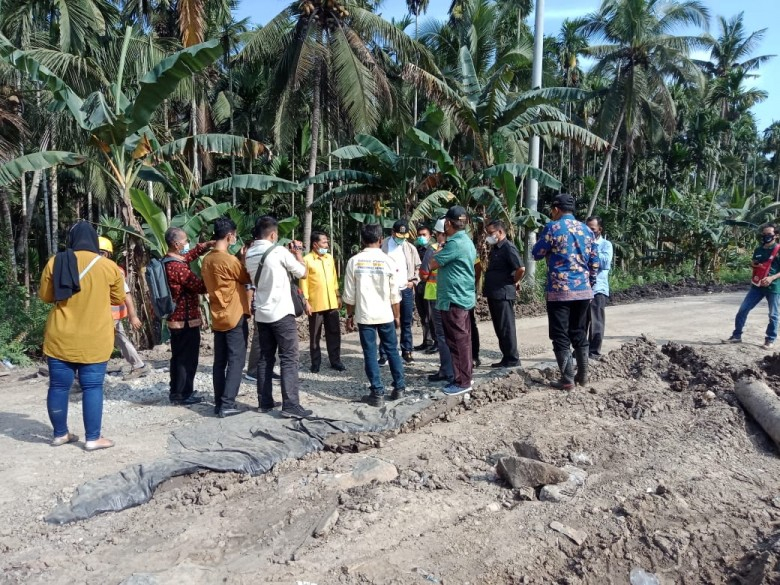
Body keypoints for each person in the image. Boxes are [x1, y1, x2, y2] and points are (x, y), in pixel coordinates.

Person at [38, 221, 124, 451]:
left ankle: (59, 434)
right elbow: (117, 299)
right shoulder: (108, 266)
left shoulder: (56, 262)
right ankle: (93, 438)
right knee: (93, 387)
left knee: (58, 386)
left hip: (61, 336)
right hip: (95, 337)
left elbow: (46, 296)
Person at [245, 216, 313, 419]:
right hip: (282, 313)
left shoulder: (248, 254)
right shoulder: (279, 251)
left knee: (265, 357)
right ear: (273, 234)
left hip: (262, 313)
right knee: (289, 358)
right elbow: (302, 273)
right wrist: (298, 253)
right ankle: (291, 405)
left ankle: (264, 401)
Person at [532, 194, 599, 390]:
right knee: (578, 332)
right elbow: (595, 262)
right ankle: (583, 376)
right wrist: (589, 283)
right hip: (583, 291)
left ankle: (568, 379)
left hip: (559, 291)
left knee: (560, 334)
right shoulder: (587, 230)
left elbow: (536, 253)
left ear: (556, 209)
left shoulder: (553, 227)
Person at [343, 224, 405, 407]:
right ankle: (399, 388)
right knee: (392, 350)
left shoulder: (354, 261)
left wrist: (349, 316)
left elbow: (349, 294)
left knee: (370, 352)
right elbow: (395, 294)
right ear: (380, 240)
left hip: (365, 315)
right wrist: (397, 316)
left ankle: (377, 392)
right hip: (385, 314)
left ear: (362, 240)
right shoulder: (387, 262)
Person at [202, 217, 252, 418]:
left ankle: (218, 402)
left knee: (219, 361)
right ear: (230, 236)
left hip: (217, 315)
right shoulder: (229, 260)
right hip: (234, 314)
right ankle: (227, 403)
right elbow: (245, 277)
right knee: (237, 360)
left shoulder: (207, 260)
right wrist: (242, 259)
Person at [430, 206, 477, 395]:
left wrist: (438, 249)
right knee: (462, 339)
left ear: (448, 223)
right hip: (461, 297)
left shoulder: (455, 243)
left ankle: (462, 382)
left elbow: (433, 263)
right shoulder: (466, 240)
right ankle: (465, 377)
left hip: (453, 299)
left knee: (458, 341)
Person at [163, 228, 213, 406]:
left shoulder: (168, 260)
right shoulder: (178, 268)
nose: (187, 244)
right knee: (187, 358)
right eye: (185, 241)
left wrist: (204, 246)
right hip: (185, 320)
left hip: (175, 319)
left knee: (178, 356)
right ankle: (183, 394)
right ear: (176, 244)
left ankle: (176, 391)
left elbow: (187, 256)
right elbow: (200, 286)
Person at [97, 236, 150, 380]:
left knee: (99, 341)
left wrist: (133, 315)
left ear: (107, 254)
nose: (98, 255)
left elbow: (126, 294)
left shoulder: (113, 270)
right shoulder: (97, 269)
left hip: (110, 315)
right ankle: (139, 366)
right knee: (120, 339)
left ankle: (88, 372)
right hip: (104, 315)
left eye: (101, 252)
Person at [726, 223, 780, 349]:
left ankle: (770, 339)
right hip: (757, 287)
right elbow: (755, 263)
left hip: (773, 288)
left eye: (769, 234)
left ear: (776, 235)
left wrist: (772, 278)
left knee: (773, 315)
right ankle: (736, 335)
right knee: (743, 310)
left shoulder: (778, 250)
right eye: (764, 234)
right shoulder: (758, 250)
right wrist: (754, 265)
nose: (766, 236)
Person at [300, 230, 345, 373]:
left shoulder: (329, 258)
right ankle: (315, 363)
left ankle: (335, 361)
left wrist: (338, 295)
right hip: (315, 303)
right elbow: (303, 282)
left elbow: (334, 278)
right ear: (315, 244)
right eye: (324, 242)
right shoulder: (307, 260)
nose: (327, 244)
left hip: (331, 301)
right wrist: (306, 301)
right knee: (315, 334)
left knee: (334, 332)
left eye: (327, 241)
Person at [483, 220, 525, 368]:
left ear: (500, 232)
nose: (488, 236)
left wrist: (514, 280)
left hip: (503, 293)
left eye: (490, 233)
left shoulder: (508, 247)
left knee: (506, 327)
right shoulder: (496, 248)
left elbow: (520, 268)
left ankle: (513, 359)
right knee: (500, 327)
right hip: (495, 293)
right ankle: (506, 357)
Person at [380, 219, 420, 364]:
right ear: (392, 233)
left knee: (406, 321)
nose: (401, 239)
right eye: (399, 236)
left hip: (405, 289)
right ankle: (384, 353)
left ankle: (407, 351)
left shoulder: (410, 248)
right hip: (388, 290)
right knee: (386, 321)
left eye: (404, 236)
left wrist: (413, 282)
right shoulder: (383, 246)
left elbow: (418, 267)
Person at [421, 217, 453, 384]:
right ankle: (455, 368)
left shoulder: (434, 250)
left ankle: (447, 370)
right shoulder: (461, 246)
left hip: (437, 296)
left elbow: (425, 272)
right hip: (454, 296)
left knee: (442, 334)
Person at [586, 216, 613, 358]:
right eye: (587, 229)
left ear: (599, 230)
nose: (589, 232)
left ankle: (594, 352)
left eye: (592, 229)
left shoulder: (606, 245)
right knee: (581, 322)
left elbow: (604, 262)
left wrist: (592, 247)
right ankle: (580, 350)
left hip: (598, 289)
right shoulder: (582, 243)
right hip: (582, 289)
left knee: (596, 322)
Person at [413, 224, 436, 352]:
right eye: (419, 235)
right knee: (422, 314)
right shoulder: (416, 249)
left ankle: (434, 341)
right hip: (419, 285)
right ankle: (426, 341)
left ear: (430, 236)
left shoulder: (432, 249)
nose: (421, 237)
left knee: (430, 315)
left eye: (424, 235)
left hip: (430, 285)